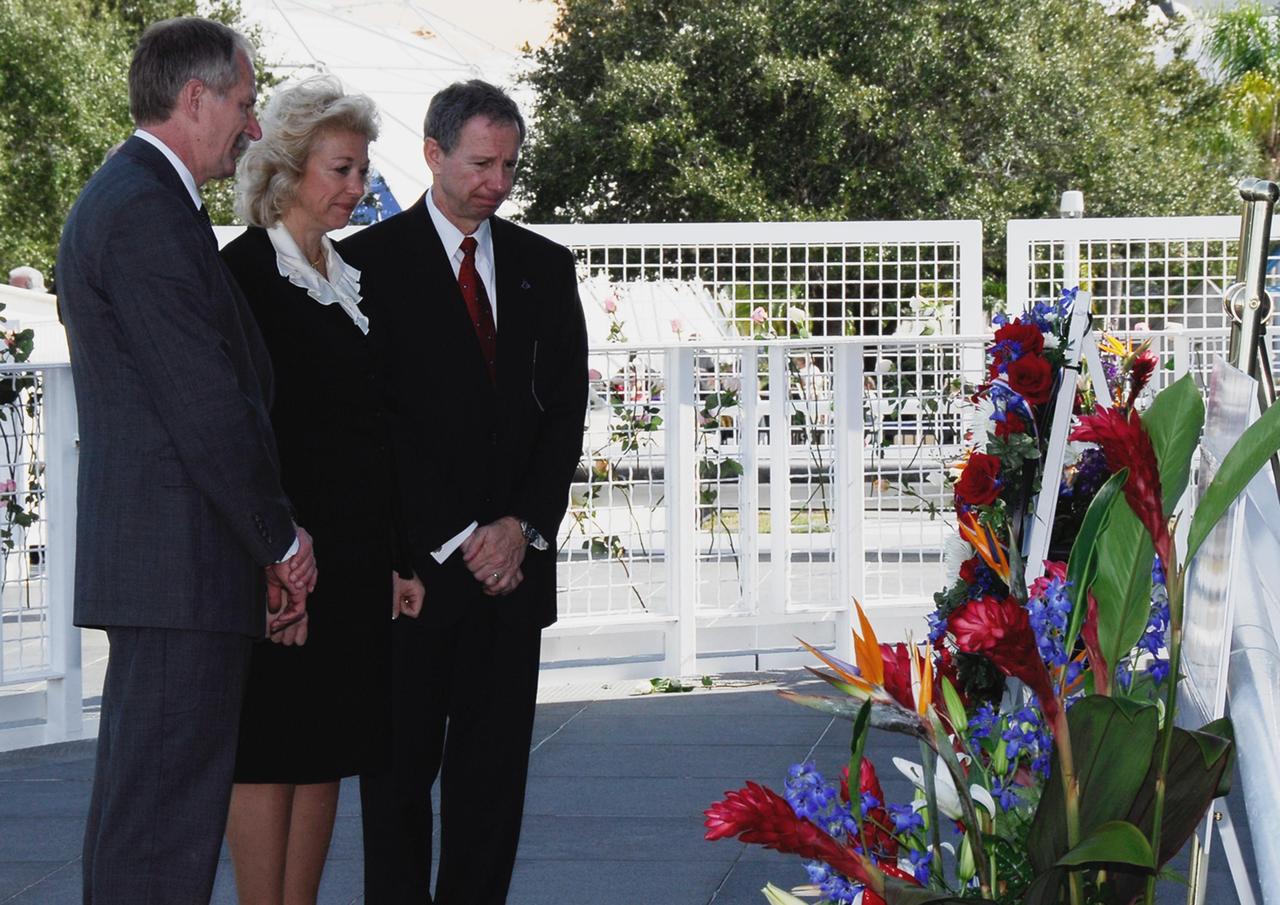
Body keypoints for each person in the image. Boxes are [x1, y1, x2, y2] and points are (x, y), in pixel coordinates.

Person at [56, 17, 316, 903]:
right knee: (160, 833)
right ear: (194, 96)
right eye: (244, 106)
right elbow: (205, 404)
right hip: (179, 569)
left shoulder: (138, 199)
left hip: (177, 569)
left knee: (152, 821)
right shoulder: (141, 209)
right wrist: (278, 540)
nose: (251, 128)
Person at [343, 79, 588, 904]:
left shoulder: (546, 269)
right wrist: (457, 535)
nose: (498, 181)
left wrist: (520, 526)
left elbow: (563, 417)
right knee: (399, 789)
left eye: (510, 165)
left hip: (514, 578)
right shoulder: (363, 266)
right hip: (413, 578)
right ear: (434, 153)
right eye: (482, 162)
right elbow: (373, 429)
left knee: (492, 795)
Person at [219, 75, 423, 905]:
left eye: (363, 169)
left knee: (329, 745)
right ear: (288, 168)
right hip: (282, 562)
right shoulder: (242, 274)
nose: (359, 186)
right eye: (341, 169)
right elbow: (241, 431)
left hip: (352, 560)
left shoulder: (350, 274)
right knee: (270, 749)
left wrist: (395, 560)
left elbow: (376, 432)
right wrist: (272, 559)